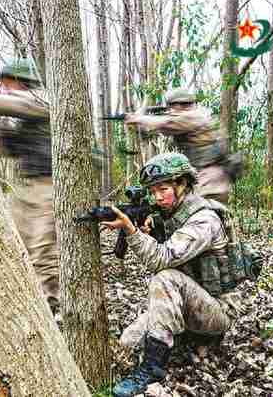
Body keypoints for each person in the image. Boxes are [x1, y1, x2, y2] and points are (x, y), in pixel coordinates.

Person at [102, 152, 243, 397]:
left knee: (165, 277)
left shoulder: (203, 220)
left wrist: (132, 232)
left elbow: (161, 259)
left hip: (218, 311)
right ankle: (181, 339)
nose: (157, 197)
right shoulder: (167, 217)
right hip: (186, 305)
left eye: (164, 189)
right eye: (153, 191)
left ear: (183, 184)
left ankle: (151, 369)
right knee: (125, 344)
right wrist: (148, 231)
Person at [0, 59, 60, 315]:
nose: (4, 90)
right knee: (18, 246)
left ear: (21, 82)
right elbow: (5, 150)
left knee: (44, 253)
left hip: (51, 186)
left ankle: (52, 310)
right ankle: (29, 304)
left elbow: (19, 104)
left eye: (8, 84)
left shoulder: (42, 98)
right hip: (27, 186)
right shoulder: (17, 112)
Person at [124, 89, 234, 204]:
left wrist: (137, 118)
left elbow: (167, 122)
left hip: (209, 178)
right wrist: (138, 125)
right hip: (202, 174)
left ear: (180, 105)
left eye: (172, 107)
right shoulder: (185, 119)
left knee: (202, 212)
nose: (171, 110)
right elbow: (155, 131)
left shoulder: (194, 116)